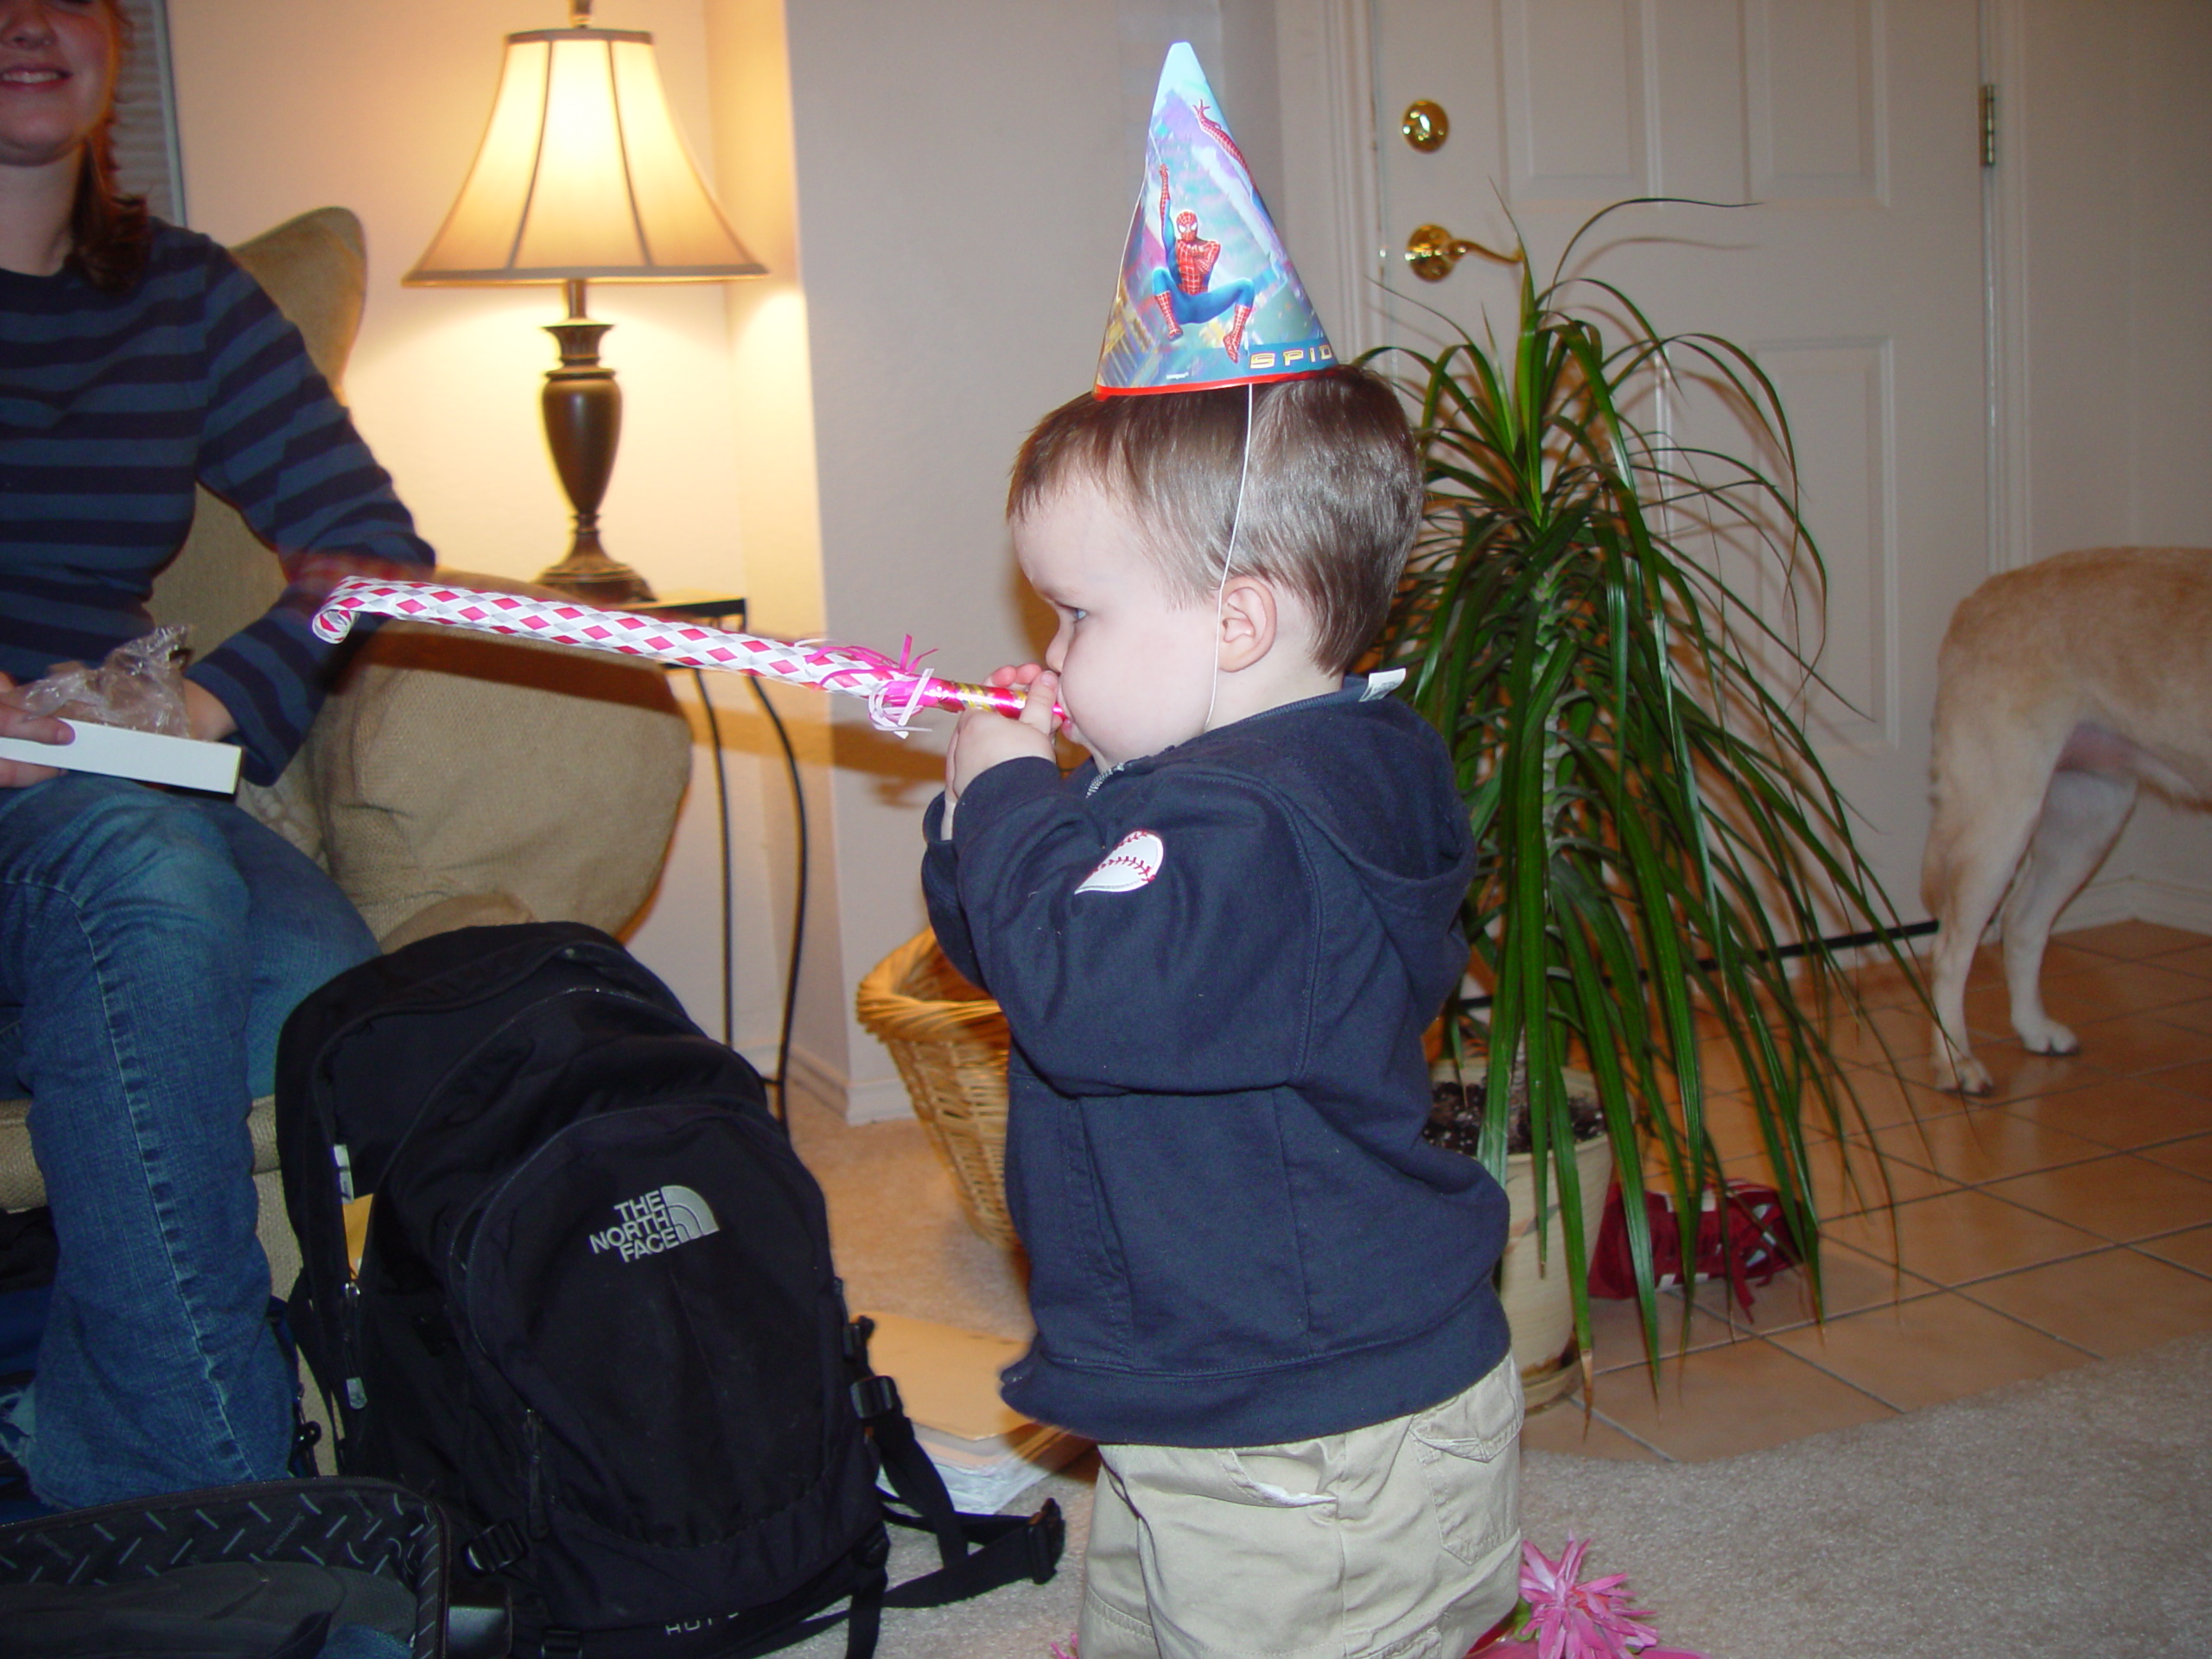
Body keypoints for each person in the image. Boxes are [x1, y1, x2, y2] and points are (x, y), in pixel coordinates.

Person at [922, 367, 1521, 1659]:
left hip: (1308, 1429)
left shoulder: (1264, 828)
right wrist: (981, 817)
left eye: (1076, 614)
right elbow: (1026, 951)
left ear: (1238, 621)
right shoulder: (1179, 784)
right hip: (1199, 1384)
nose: (1055, 651)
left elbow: (1083, 993)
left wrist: (1015, 801)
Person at [0, 0, 434, 1511]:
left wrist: (198, 713)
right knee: (148, 889)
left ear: (113, 40)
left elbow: (371, 553)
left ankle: (54, 1398)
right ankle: (207, 1513)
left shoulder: (177, 294)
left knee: (319, 1013)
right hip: (77, 834)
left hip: (116, 780)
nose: (29, 20)